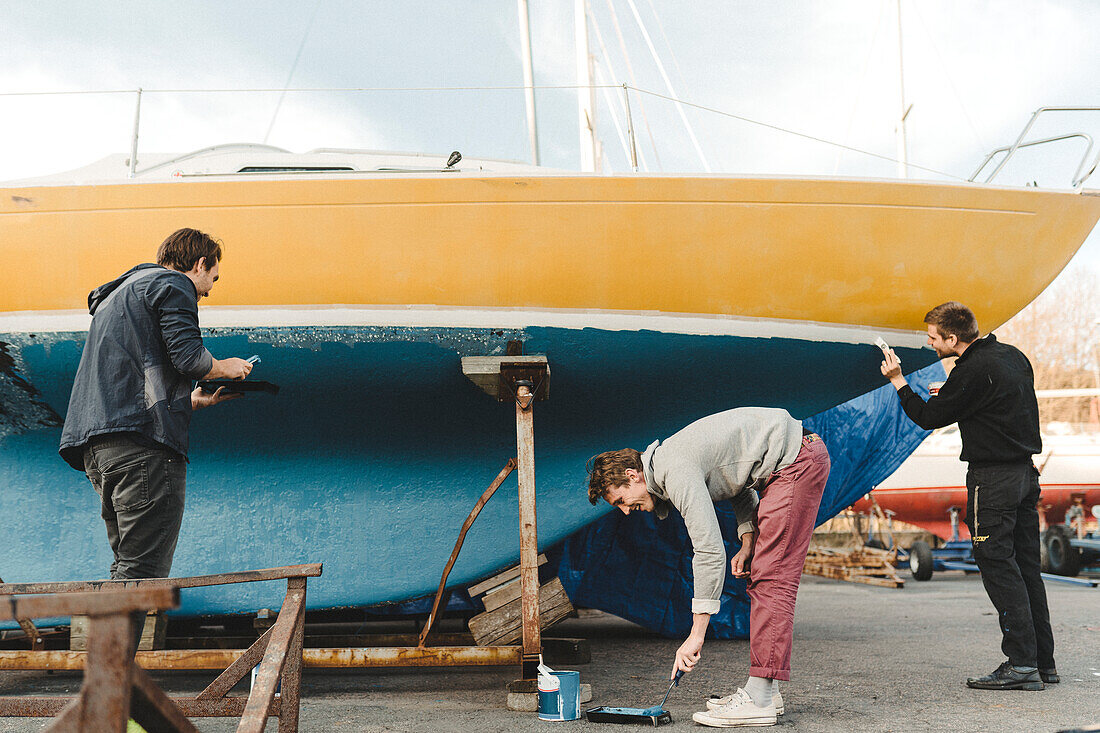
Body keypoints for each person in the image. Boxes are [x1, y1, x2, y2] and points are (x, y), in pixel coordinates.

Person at [586, 407, 830, 727]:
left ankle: (759, 699)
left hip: (795, 463)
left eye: (620, 501)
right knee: (764, 577)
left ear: (633, 476)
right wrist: (747, 537)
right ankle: (766, 694)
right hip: (792, 460)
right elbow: (736, 483)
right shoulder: (669, 461)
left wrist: (695, 635)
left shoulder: (674, 469)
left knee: (772, 580)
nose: (626, 512)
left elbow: (709, 551)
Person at [59, 228, 254, 583]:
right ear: (200, 263)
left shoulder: (119, 295)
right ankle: (108, 642)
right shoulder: (175, 285)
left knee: (126, 569)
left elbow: (130, 377)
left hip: (99, 450)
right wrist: (229, 366)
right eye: (212, 278)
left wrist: (187, 400)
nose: (208, 290)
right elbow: (190, 359)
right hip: (143, 451)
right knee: (141, 576)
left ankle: (107, 640)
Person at [878, 301, 1055, 691]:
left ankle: (1021, 664)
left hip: (991, 481)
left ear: (952, 339)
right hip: (1026, 475)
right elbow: (989, 404)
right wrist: (953, 394)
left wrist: (898, 381)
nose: (929, 344)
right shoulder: (1011, 356)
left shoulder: (971, 370)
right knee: (1026, 569)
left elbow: (928, 417)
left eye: (932, 338)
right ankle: (1043, 662)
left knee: (997, 567)